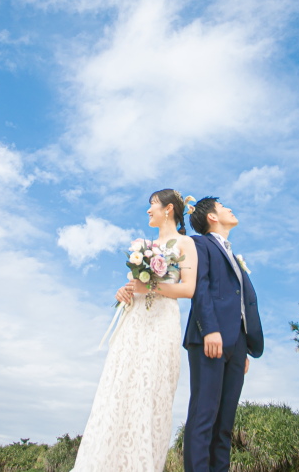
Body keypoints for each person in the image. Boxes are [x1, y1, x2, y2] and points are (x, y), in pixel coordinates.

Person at [70, 189, 198, 472]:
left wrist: (148, 286)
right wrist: (125, 290)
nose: (148, 210)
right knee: (119, 389)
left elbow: (188, 289)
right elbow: (137, 285)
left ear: (168, 209)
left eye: (152, 205)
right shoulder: (146, 245)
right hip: (134, 321)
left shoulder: (186, 243)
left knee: (149, 389)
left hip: (161, 323)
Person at [183, 197, 264, 472]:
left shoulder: (232, 253)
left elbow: (242, 300)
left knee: (225, 424)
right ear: (212, 217)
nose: (230, 208)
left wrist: (244, 347)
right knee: (204, 415)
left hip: (237, 343)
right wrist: (211, 330)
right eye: (223, 206)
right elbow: (200, 287)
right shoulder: (200, 244)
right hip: (210, 337)